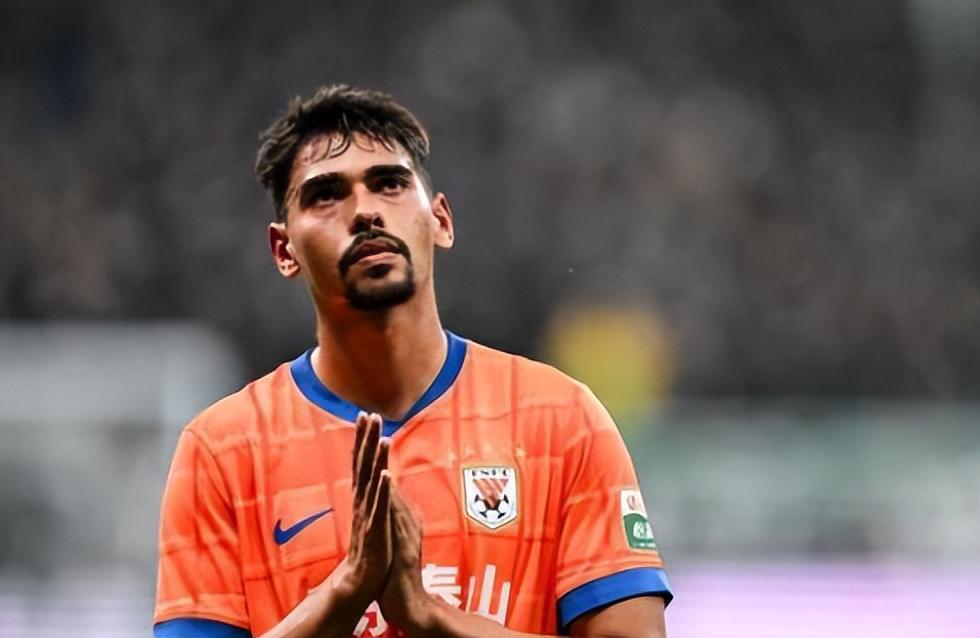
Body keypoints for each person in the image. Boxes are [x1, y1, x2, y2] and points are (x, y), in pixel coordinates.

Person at [152, 84, 672, 638]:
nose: (365, 211)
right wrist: (346, 591)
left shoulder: (560, 422)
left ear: (441, 220)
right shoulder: (223, 452)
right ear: (284, 251)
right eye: (326, 195)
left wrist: (427, 615)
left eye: (390, 183)